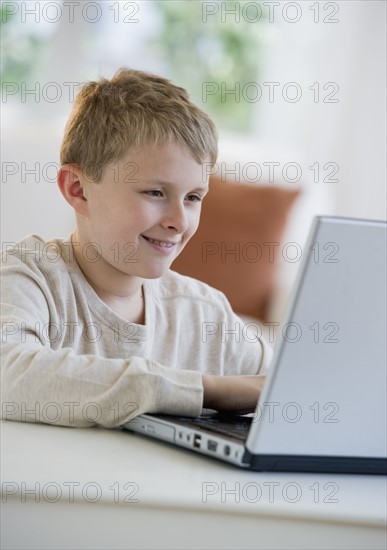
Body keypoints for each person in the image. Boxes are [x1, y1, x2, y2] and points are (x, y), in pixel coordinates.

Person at [0, 68, 272, 428]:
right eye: (155, 193)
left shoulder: (204, 314)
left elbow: (289, 386)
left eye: (193, 197)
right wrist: (203, 389)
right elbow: (9, 375)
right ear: (78, 189)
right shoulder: (29, 277)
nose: (179, 220)